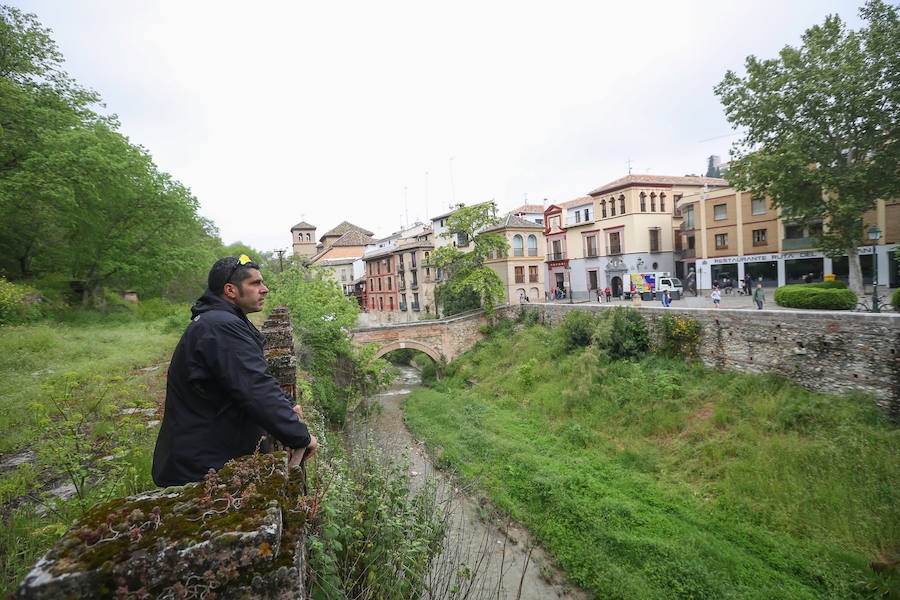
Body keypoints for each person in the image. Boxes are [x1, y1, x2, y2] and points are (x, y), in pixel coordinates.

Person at [152, 255, 316, 487]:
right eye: (255, 283)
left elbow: (250, 376)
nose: (265, 289)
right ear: (230, 290)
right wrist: (301, 436)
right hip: (204, 469)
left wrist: (287, 403)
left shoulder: (219, 321)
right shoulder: (221, 327)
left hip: (205, 458)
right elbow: (255, 390)